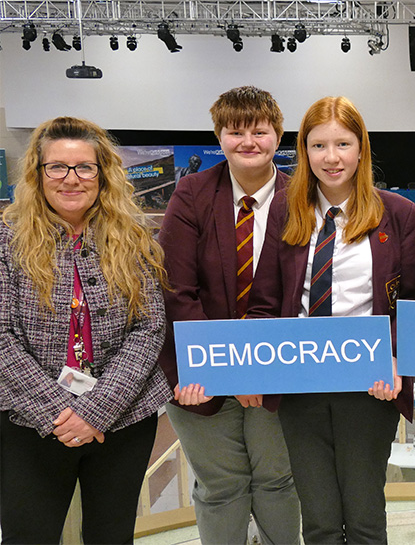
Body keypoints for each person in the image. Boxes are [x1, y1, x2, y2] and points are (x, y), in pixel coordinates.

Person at [247, 96, 415, 544]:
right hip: (301, 382)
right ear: (304, 152)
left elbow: (413, 302)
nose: (331, 157)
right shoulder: (285, 211)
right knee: (320, 519)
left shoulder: (396, 214)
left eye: (342, 144)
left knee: (363, 516)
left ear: (361, 148)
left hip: (369, 386)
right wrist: (254, 367)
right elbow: (266, 301)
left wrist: (397, 356)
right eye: (318, 145)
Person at [0, 116, 172, 543]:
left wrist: (94, 410)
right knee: (28, 535)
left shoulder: (134, 238)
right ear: (37, 174)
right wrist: (60, 413)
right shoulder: (6, 239)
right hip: (29, 420)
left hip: (122, 417)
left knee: (111, 536)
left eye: (84, 167)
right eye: (56, 167)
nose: (70, 179)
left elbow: (148, 329)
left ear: (102, 174)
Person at [158, 86, 300, 545]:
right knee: (221, 488)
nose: (248, 142)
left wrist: (256, 368)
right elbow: (178, 292)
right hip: (199, 374)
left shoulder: (303, 197)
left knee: (278, 483)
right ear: (218, 136)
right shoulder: (192, 193)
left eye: (259, 131)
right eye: (234, 131)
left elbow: (302, 292)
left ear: (278, 135)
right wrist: (227, 369)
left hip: (279, 370)